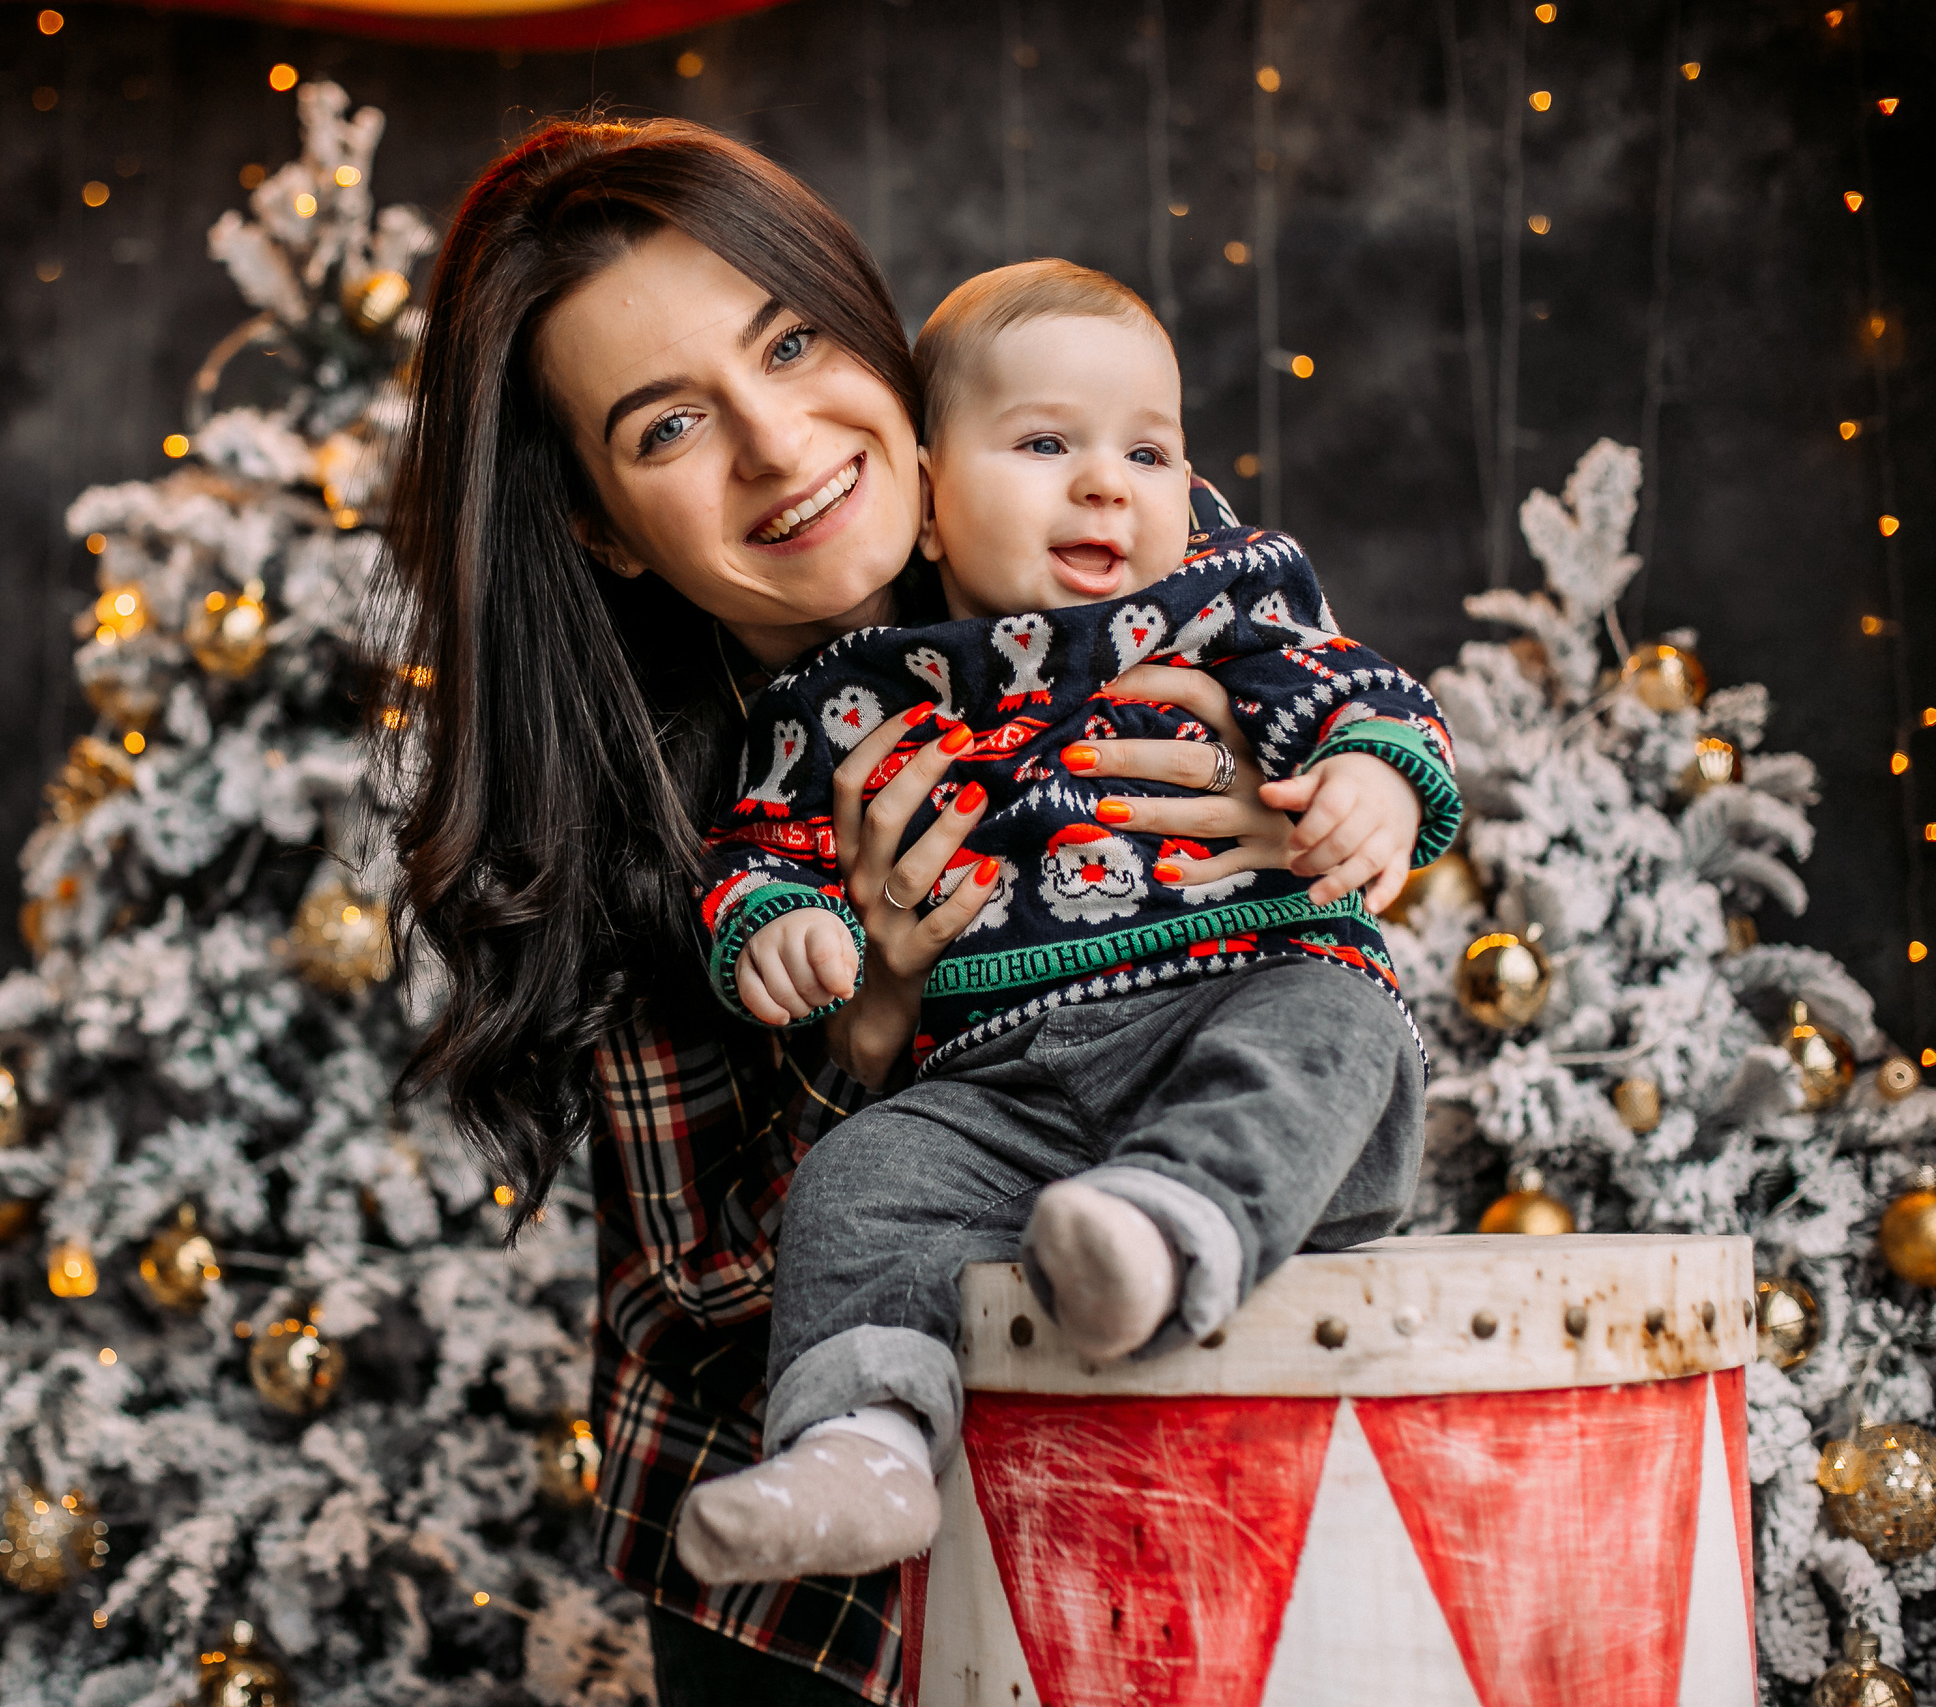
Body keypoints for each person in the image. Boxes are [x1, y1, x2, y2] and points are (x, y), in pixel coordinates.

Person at [383, 121, 1308, 1705]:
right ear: (603, 523)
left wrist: (1310, 814)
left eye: (792, 342)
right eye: (671, 425)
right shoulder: (632, 818)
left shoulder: (1121, 539)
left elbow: (1341, 956)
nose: (781, 443)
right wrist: (870, 1015)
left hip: (1157, 1502)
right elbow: (699, 1293)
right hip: (817, 1623)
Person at [672, 261, 1460, 1585]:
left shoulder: (1221, 615)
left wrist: (1374, 778)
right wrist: (776, 923)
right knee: (864, 1180)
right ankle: (865, 1443)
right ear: (929, 499)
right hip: (999, 1103)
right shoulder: (861, 691)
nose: (1107, 483)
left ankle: (1171, 1227)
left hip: (1241, 1026)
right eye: (1046, 443)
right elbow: (761, 837)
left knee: (1337, 1016)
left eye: (1147, 451)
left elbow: (1358, 691)